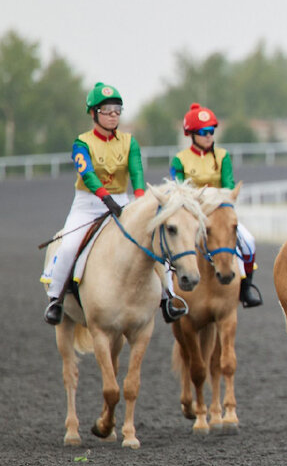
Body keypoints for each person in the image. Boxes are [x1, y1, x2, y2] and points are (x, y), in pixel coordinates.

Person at [43, 83, 149, 325]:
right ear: (93, 113)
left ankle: (168, 296)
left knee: (149, 242)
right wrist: (104, 196)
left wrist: (141, 200)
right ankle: (55, 298)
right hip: (88, 205)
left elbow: (137, 172)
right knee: (69, 247)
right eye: (107, 110)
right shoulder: (81, 143)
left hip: (122, 201)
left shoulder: (130, 142)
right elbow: (87, 173)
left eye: (117, 110)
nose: (113, 115)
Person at [168, 103, 262, 307]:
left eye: (211, 131)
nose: (209, 136)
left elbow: (228, 186)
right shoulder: (179, 160)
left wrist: (210, 197)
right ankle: (166, 293)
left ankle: (246, 288)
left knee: (248, 242)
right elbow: (179, 192)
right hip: (193, 217)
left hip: (220, 213)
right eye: (203, 132)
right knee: (169, 248)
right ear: (191, 134)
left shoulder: (223, 156)